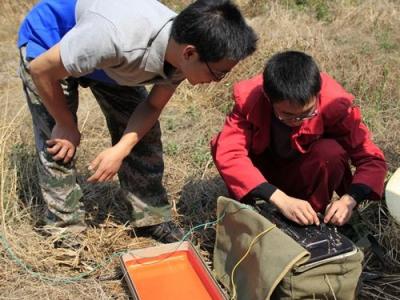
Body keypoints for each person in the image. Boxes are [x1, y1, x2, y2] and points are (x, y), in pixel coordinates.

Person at [17, 0, 257, 242]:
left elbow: (151, 106)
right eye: (218, 73)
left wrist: (121, 149)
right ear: (189, 53)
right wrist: (65, 122)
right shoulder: (115, 37)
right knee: (59, 142)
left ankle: (150, 217)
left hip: (108, 59)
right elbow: (41, 70)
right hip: (52, 45)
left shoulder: (183, 48)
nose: (218, 81)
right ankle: (64, 230)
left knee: (143, 132)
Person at [211, 51, 387, 227]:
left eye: (307, 113)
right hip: (260, 175)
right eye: (287, 115)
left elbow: (372, 159)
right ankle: (251, 213)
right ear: (268, 97)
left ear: (317, 94)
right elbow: (229, 154)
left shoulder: (334, 103)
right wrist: (278, 198)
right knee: (221, 142)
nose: (297, 121)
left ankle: (310, 220)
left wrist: (350, 199)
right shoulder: (250, 99)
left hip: (303, 176)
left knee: (330, 153)